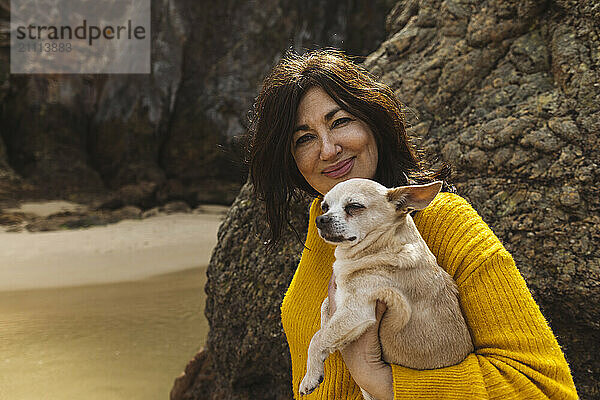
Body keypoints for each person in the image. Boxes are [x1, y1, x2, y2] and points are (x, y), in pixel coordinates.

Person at [247, 48, 577, 399]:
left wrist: (378, 380)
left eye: (340, 122)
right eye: (305, 138)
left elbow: (545, 388)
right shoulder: (325, 225)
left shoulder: (446, 223)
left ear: (373, 121)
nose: (328, 150)